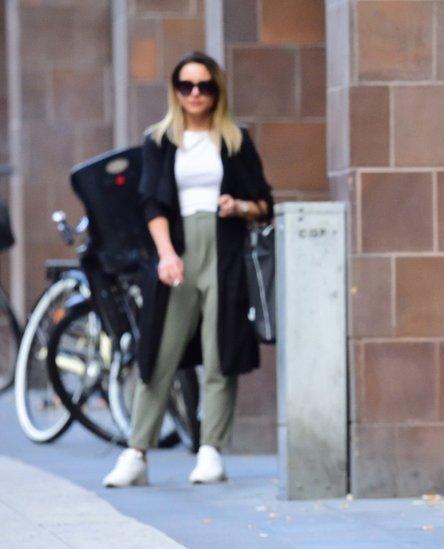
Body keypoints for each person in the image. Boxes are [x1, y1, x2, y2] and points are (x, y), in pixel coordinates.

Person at [103, 51, 273, 488]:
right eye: (186, 86)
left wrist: (240, 206)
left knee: (221, 350)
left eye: (205, 86)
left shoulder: (235, 140)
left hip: (225, 250)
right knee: (158, 351)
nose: (195, 94)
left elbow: (265, 204)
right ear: (175, 91)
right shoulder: (159, 140)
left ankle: (211, 449)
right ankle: (136, 452)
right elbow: (151, 203)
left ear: (217, 91)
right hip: (175, 254)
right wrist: (165, 254)